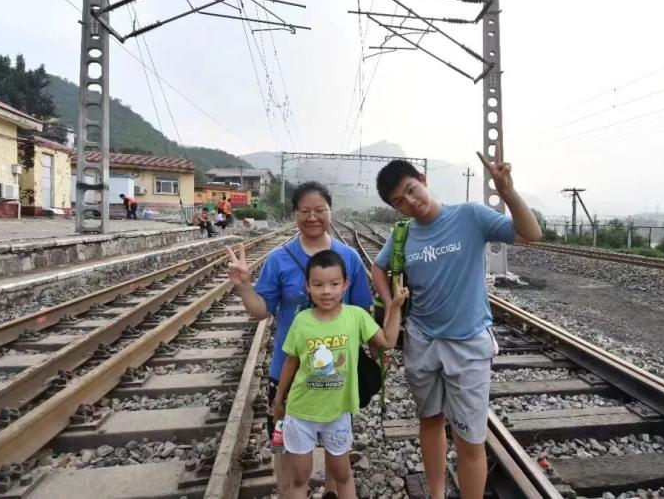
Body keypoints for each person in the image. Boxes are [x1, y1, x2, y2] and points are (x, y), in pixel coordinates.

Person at [371, 154, 542, 499]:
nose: (410, 203)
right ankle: (436, 493)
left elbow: (531, 233)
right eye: (398, 202)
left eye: (411, 190)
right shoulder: (403, 233)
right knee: (430, 421)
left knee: (470, 437)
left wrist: (507, 191)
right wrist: (392, 304)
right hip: (421, 341)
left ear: (423, 178)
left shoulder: (469, 216)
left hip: (467, 344)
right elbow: (378, 267)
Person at [225, 181, 373, 499]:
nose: (312, 217)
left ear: (330, 211)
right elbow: (261, 311)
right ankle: (288, 491)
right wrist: (243, 287)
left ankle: (333, 492)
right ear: (295, 214)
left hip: (337, 377)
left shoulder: (349, 258)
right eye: (304, 211)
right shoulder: (280, 259)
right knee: (287, 448)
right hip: (288, 373)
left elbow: (362, 311)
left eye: (320, 210)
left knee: (336, 449)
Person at [270, 250, 408, 499]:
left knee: (343, 474)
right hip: (301, 412)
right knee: (300, 476)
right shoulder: (301, 321)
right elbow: (291, 362)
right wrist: (279, 399)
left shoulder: (356, 316)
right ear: (308, 286)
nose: (326, 291)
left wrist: (395, 306)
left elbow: (387, 341)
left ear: (345, 284)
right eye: (318, 284)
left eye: (334, 284)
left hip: (338, 413)